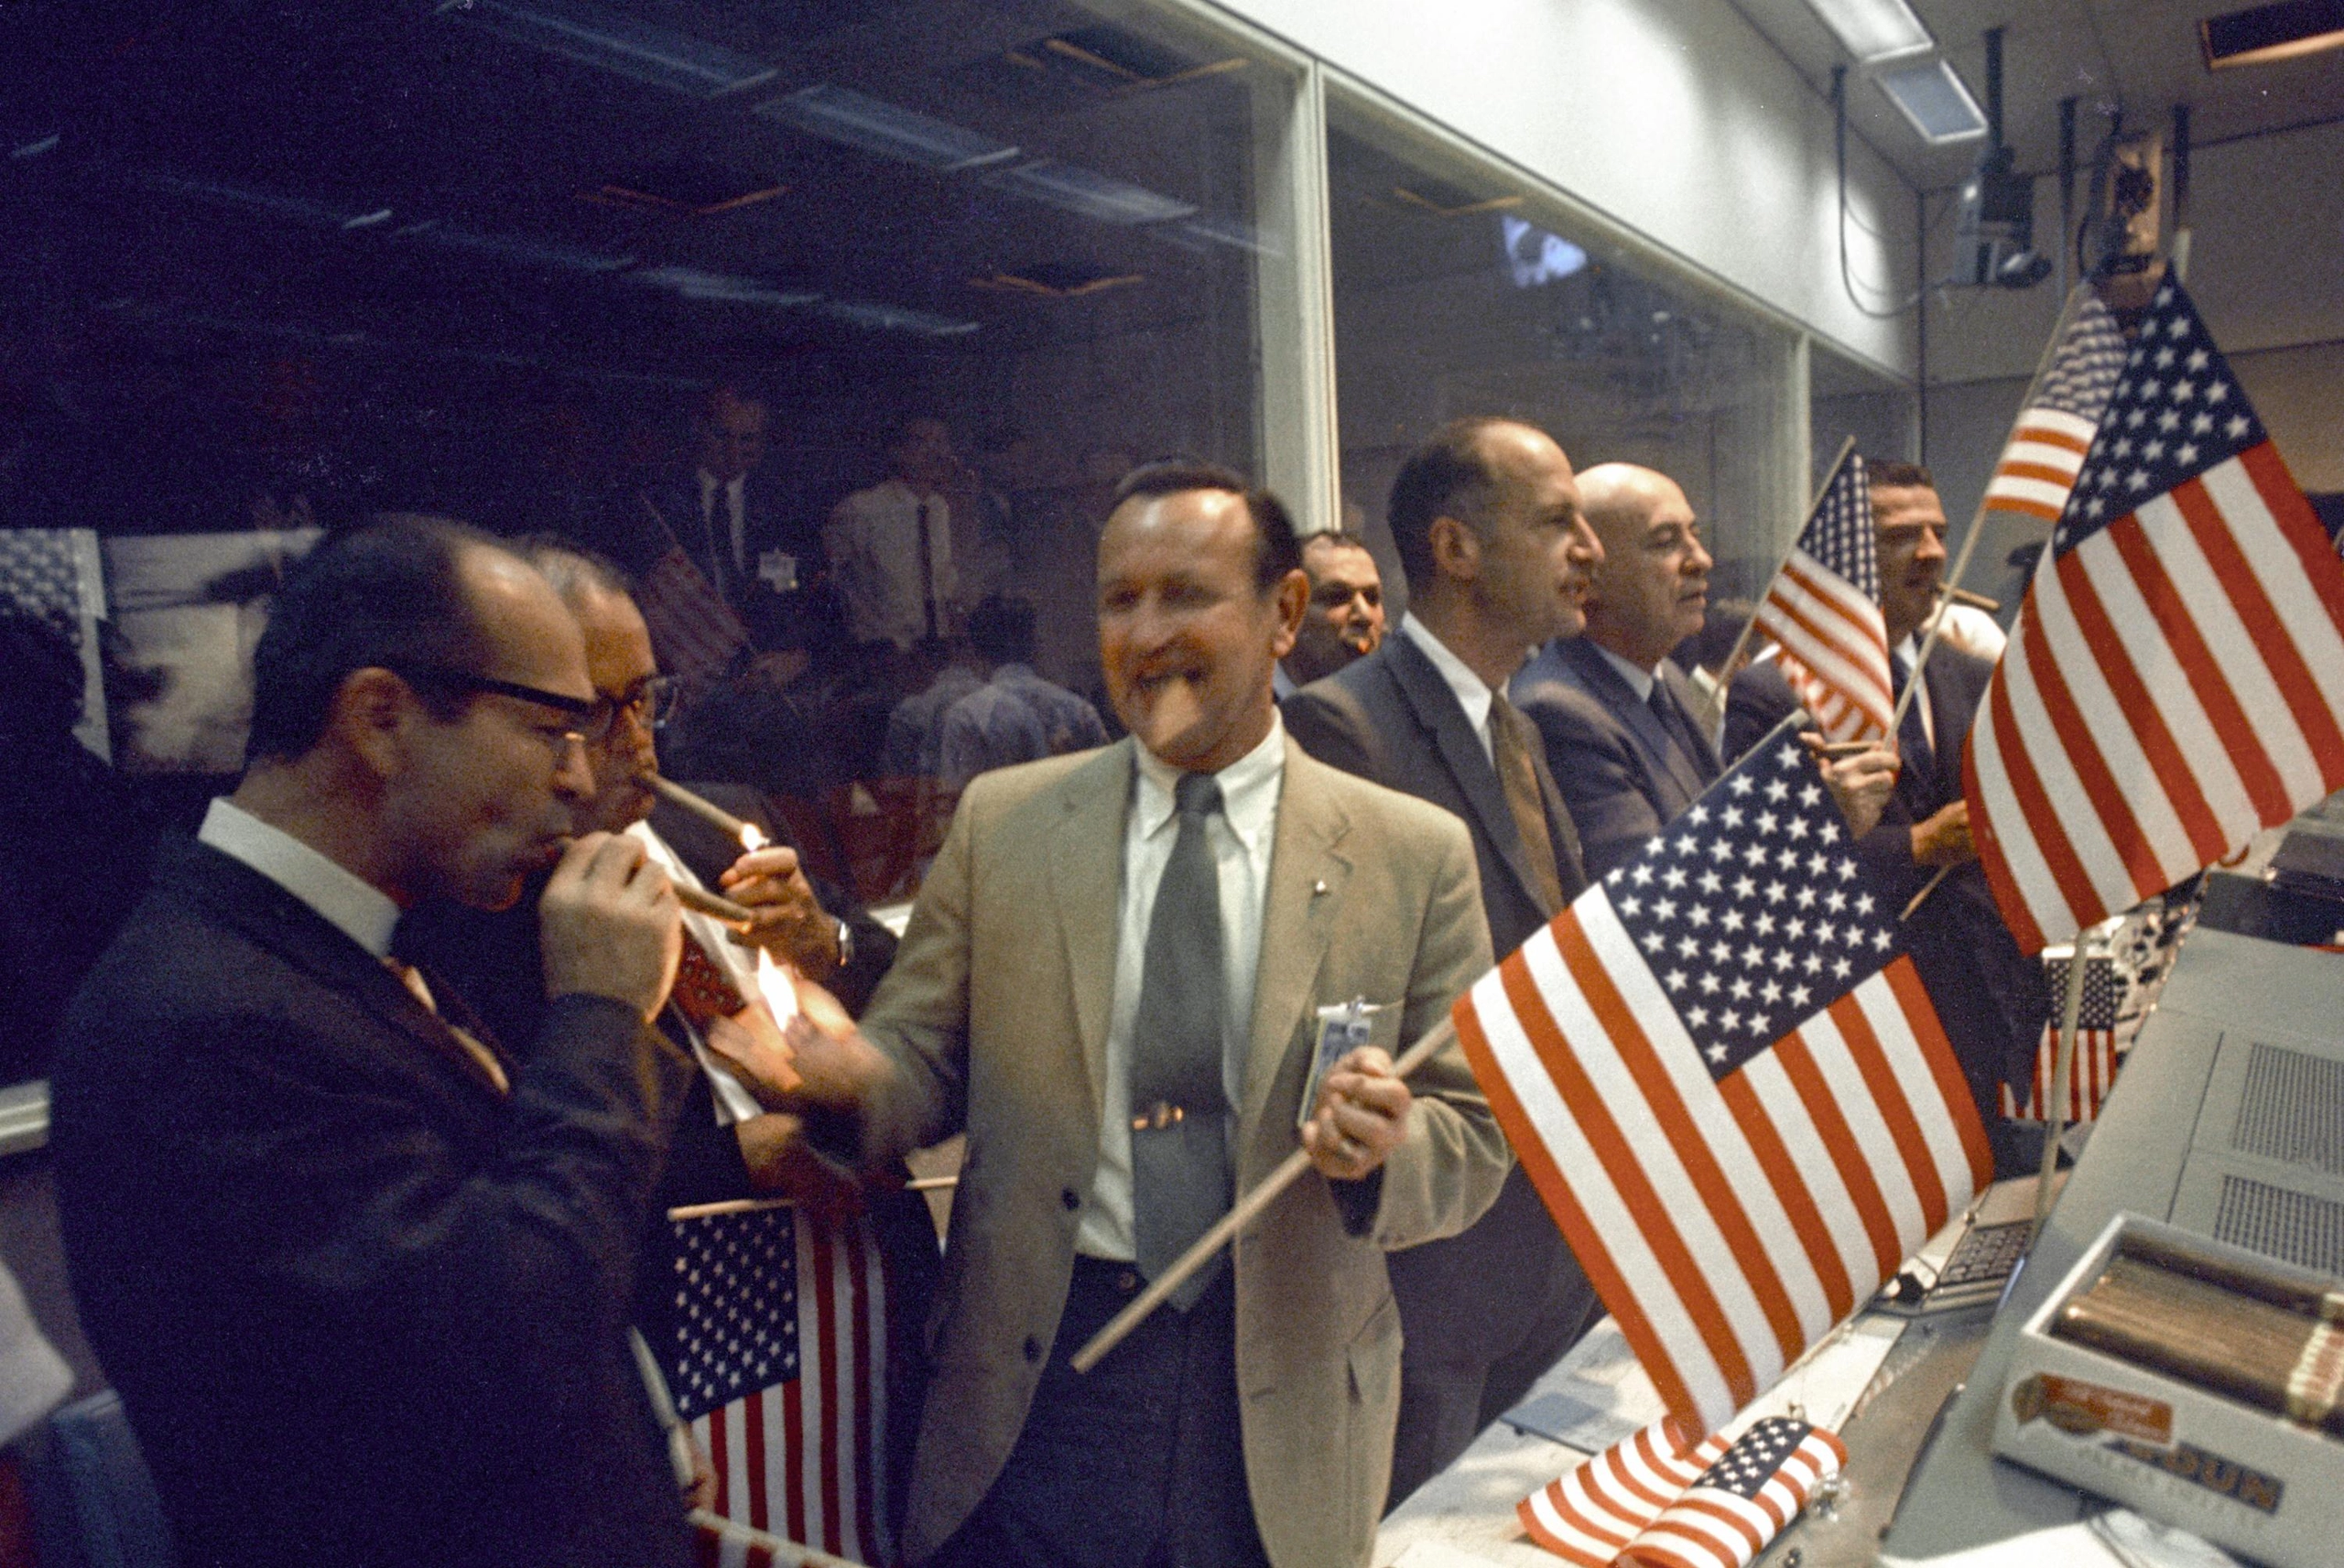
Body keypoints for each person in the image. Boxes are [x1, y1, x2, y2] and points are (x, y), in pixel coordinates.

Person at [721, 460, 1511, 1568]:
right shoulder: (1010, 826)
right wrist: (852, 1079)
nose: (1145, 633)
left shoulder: (1409, 854)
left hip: (1276, 1396)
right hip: (1042, 1381)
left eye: (1185, 595)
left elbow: (1474, 1136)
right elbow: (917, 1055)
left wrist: (1387, 1149)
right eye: (1118, 599)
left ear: (1284, 614)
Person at [49, 518, 697, 1568]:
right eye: (550, 730)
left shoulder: (354, 944)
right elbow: (507, 1347)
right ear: (382, 718)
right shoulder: (199, 1020)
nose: (582, 780)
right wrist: (602, 1016)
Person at [396, 541, 928, 1534]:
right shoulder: (481, 906)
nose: (636, 741)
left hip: (861, 1313)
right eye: (598, 712)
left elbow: (906, 1015)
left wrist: (829, 941)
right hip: (672, 1354)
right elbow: (512, 1168)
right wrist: (734, 1157)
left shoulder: (719, 827)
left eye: (649, 699)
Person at [1281, 416, 1601, 1505]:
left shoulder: (1520, 728)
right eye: (1556, 522)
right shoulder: (1342, 732)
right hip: (1428, 1288)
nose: (1587, 549)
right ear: (1457, 549)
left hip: (1542, 1257)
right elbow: (1338, 1036)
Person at [1725, 460, 2050, 1145]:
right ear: (1845, 553)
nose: (1933, 552)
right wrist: (1919, 844)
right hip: (1865, 1014)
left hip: (1985, 999)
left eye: (1938, 531)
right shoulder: (1776, 693)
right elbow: (1768, 860)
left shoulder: (1972, 675)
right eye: (1904, 534)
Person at [1511, 463, 1720, 879]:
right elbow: (1652, 891)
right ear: (1591, 576)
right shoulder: (1558, 712)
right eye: (1665, 542)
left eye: (1694, 535)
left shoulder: (1668, 680)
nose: (1701, 560)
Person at [635, 385, 827, 655]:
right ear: (700, 430)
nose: (733, 450)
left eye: (747, 439)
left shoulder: (782, 505)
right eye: (722, 435)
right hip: (685, 649)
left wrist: (793, 653)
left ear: (761, 442)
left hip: (761, 653)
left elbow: (791, 587)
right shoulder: (660, 500)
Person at [936, 593, 1109, 788]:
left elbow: (953, 797)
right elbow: (1108, 788)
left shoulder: (966, 716)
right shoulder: (1079, 711)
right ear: (1033, 642)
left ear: (978, 650)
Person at [828, 416, 962, 649]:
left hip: (940, 649)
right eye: (921, 442)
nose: (934, 452)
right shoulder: (863, 509)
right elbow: (833, 580)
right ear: (897, 452)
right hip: (885, 652)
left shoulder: (944, 509)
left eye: (941, 442)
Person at [1276, 529, 1386, 697]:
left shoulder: (1394, 710)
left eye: (1372, 597)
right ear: (1287, 611)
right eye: (1337, 597)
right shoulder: (1237, 711)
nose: (1365, 615)